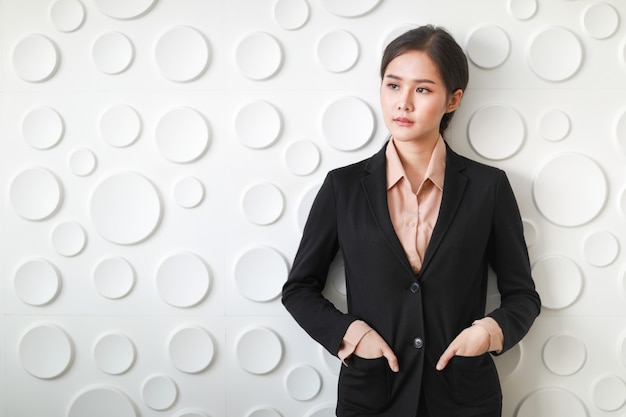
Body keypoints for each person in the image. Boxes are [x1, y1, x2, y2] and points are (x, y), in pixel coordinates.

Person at [282, 24, 541, 417]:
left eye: (422, 89)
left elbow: (523, 296)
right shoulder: (343, 187)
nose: (403, 103)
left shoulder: (488, 188)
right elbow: (299, 288)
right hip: (372, 394)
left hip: (463, 396)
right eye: (392, 85)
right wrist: (352, 335)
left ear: (453, 100)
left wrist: (485, 335)